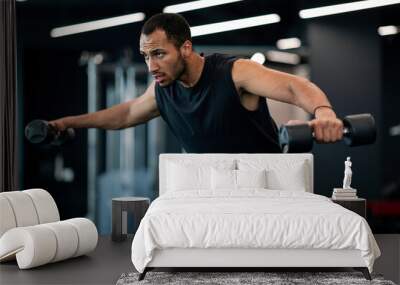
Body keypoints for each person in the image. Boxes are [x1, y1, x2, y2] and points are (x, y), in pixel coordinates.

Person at [50, 13, 343, 153]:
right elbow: (125, 114)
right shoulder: (162, 91)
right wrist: (68, 123)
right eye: (146, 56)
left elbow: (293, 87)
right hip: (207, 193)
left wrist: (324, 112)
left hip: (263, 187)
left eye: (159, 54)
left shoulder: (234, 72)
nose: (151, 65)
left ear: (186, 48)